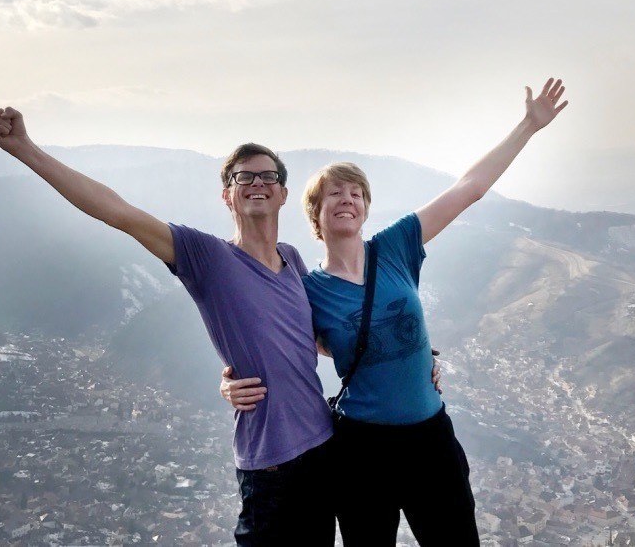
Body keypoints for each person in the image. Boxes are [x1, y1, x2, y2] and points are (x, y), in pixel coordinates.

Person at [220, 78, 569, 546]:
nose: (347, 199)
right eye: (334, 194)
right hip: (361, 449)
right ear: (315, 213)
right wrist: (229, 380)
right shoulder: (308, 290)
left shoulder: (398, 246)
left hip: (430, 440)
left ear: (366, 208)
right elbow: (276, 342)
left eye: (356, 193)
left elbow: (470, 188)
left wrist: (527, 125)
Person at [0, 114, 335, 546]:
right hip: (271, 462)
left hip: (323, 448)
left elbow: (322, 340)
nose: (257, 183)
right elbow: (119, 213)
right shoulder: (207, 257)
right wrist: (24, 148)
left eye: (268, 175)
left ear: (283, 193)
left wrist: (414, 361)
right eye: (243, 177)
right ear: (227, 195)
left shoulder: (293, 259)